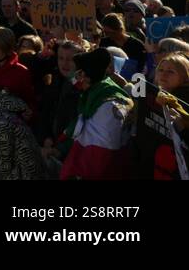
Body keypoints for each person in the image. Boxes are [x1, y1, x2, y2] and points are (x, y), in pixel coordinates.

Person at [56, 46, 134, 180]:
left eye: (79, 74)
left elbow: (103, 149)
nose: (75, 79)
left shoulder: (110, 104)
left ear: (87, 77)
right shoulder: (92, 96)